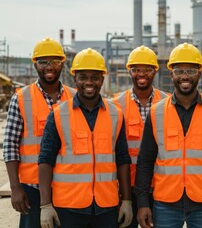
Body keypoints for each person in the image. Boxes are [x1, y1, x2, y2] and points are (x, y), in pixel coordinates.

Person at [135, 42, 202, 228]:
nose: (184, 76)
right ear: (171, 73)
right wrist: (142, 202)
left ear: (199, 73)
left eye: (190, 71)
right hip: (165, 203)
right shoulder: (156, 112)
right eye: (179, 71)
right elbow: (145, 161)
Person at [38, 48, 133, 228]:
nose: (89, 82)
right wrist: (45, 205)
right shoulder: (58, 115)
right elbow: (45, 160)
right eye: (83, 77)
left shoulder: (116, 114)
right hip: (68, 208)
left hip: (107, 206)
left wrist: (127, 201)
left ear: (102, 80)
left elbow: (122, 159)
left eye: (95, 77)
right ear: (75, 79)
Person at [3, 37, 76, 228]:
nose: (49, 67)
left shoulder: (75, 97)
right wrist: (15, 187)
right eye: (43, 62)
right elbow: (10, 145)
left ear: (62, 64)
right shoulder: (21, 99)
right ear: (35, 64)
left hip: (69, 187)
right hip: (32, 190)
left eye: (55, 62)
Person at [113, 45, 169, 228]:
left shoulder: (169, 103)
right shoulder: (115, 105)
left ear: (155, 71)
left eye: (147, 69)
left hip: (160, 187)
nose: (141, 74)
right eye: (136, 69)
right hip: (125, 189)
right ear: (129, 71)